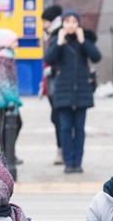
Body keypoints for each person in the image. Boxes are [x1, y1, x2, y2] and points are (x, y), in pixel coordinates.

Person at [43, 10, 101, 174]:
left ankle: (78, 162)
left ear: (78, 24)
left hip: (82, 91)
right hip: (63, 91)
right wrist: (59, 43)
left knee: (80, 129)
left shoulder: (85, 40)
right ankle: (69, 163)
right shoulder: (56, 39)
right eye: (67, 22)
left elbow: (96, 57)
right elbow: (49, 59)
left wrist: (83, 41)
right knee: (66, 128)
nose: (70, 25)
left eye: (74, 22)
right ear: (63, 24)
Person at [0, 28, 23, 167]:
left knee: (16, 124)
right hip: (6, 100)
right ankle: (6, 154)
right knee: (6, 126)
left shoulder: (8, 57)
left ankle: (9, 153)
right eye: (15, 41)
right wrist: (11, 99)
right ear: (7, 43)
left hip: (9, 99)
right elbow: (4, 82)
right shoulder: (4, 60)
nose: (17, 43)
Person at [39, 4, 64, 165]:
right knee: (57, 118)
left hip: (57, 85)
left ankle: (62, 152)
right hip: (51, 84)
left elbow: (52, 59)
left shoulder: (57, 36)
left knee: (59, 119)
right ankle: (61, 151)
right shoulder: (51, 35)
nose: (42, 25)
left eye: (45, 21)